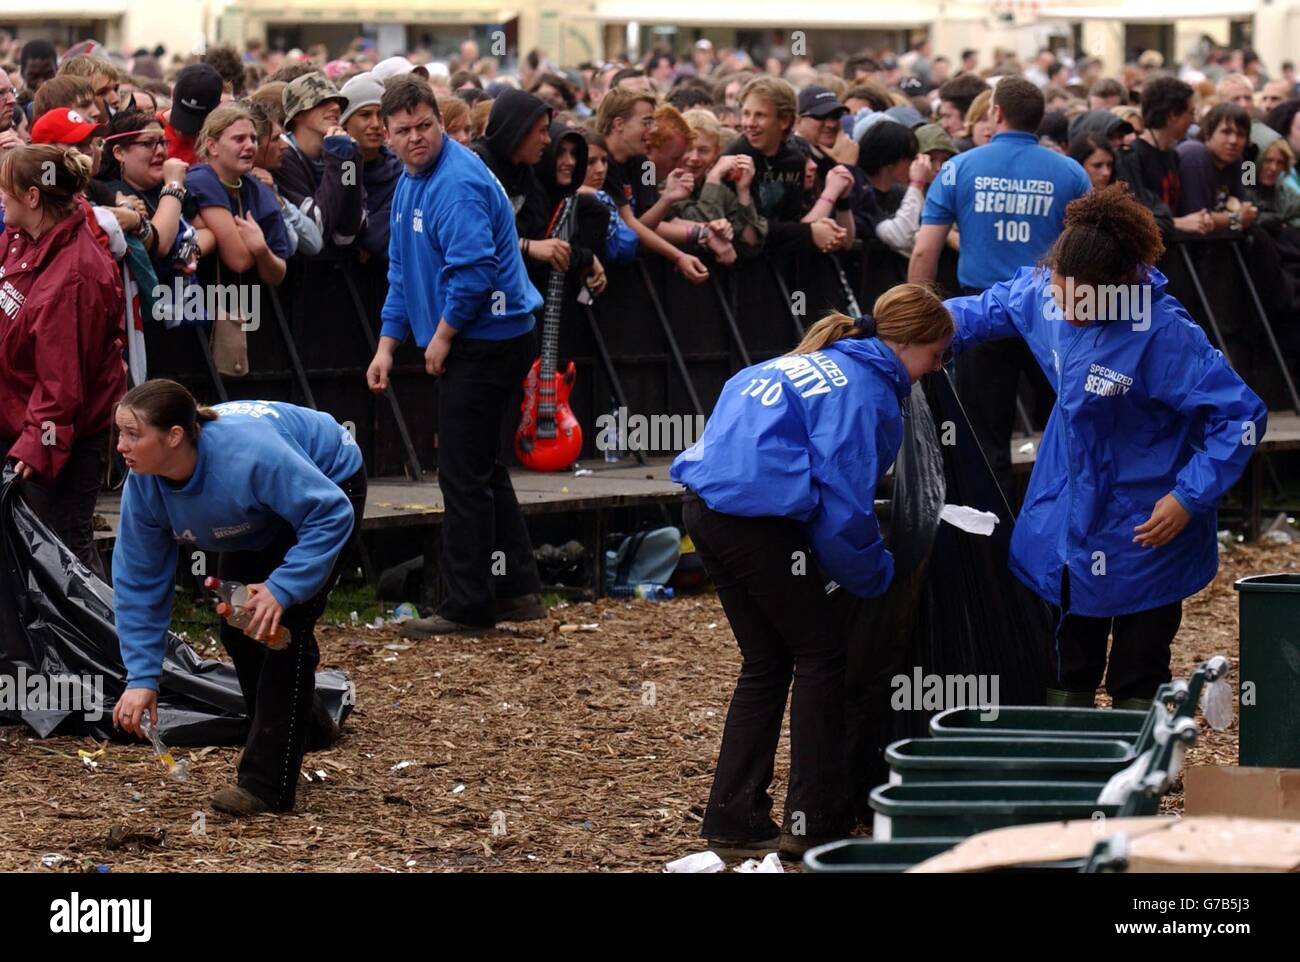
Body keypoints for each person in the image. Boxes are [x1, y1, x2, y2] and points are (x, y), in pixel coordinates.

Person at [944, 185, 1266, 708]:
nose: (1066, 308)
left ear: (1119, 286)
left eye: (1080, 300)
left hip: (1145, 520)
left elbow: (1239, 416)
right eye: (1059, 291)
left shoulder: (1163, 333)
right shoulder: (1044, 293)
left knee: (1138, 665)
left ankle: (1137, 772)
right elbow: (983, 309)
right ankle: (1065, 769)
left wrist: (1190, 496)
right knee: (1066, 658)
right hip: (1068, 513)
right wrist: (901, 328)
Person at [670, 284, 954, 859]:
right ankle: (811, 820)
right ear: (908, 343)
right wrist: (881, 575)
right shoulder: (869, 392)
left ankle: (732, 815)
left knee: (766, 659)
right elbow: (843, 509)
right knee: (822, 654)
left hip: (704, 509)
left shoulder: (796, 364)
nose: (938, 368)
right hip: (756, 521)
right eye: (937, 355)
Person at [110, 380, 366, 815]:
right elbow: (139, 582)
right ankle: (308, 729)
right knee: (238, 627)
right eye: (119, 433)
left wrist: (282, 589)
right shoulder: (145, 483)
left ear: (174, 436)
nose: (120, 446)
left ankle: (267, 786)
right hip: (252, 515)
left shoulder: (248, 456)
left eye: (134, 434)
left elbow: (329, 511)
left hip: (325, 487)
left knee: (279, 632)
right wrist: (141, 678)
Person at [368, 76, 547, 635]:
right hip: (476, 333)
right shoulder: (409, 182)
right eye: (403, 131)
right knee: (481, 467)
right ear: (388, 138)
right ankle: (518, 589)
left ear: (439, 122)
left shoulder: (456, 182)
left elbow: (473, 275)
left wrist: (441, 338)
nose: (416, 137)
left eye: (425, 125)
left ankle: (467, 606)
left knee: (461, 474)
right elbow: (401, 270)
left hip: (489, 336)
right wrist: (387, 343)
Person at [910, 77, 1091, 500]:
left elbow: (924, 252)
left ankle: (993, 541)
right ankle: (1059, 530)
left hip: (982, 317)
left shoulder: (960, 168)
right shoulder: (1069, 172)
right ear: (1038, 119)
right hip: (1054, 316)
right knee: (1065, 431)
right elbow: (1089, 254)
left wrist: (913, 321)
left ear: (994, 113)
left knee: (983, 437)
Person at [0, 144, 125, 578]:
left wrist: (39, 443)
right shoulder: (21, 241)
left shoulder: (74, 273)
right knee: (26, 552)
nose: (1, 198)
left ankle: (104, 644)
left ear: (32, 197)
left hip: (63, 436)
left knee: (64, 553)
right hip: (24, 424)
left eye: (6, 190)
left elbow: (63, 380)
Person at [593, 87, 709, 281]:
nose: (653, 129)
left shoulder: (644, 163)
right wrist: (678, 256)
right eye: (647, 122)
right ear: (619, 124)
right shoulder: (601, 163)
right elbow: (631, 225)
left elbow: (647, 222)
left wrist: (667, 199)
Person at [186, 104, 291, 286]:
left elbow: (278, 274)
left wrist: (262, 250)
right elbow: (239, 261)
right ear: (212, 146)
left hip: (249, 306)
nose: (250, 145)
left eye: (253, 138)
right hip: (198, 304)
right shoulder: (199, 180)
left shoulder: (260, 191)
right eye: (239, 139)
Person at [275, 72, 365, 252]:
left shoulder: (342, 152)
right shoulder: (283, 156)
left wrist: (351, 161)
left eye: (337, 102)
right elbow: (317, 228)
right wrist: (338, 160)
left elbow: (348, 232)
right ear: (298, 114)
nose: (335, 108)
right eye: (322, 102)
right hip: (298, 274)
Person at [340, 72, 402, 260]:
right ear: (345, 123)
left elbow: (378, 236)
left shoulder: (399, 173)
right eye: (365, 115)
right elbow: (340, 225)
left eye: (380, 115)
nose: (376, 124)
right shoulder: (341, 167)